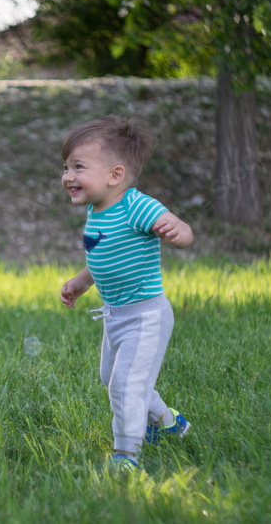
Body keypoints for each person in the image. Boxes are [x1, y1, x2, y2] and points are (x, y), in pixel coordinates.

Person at [59, 115, 193, 470]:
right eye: (66, 167)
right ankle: (168, 423)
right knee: (112, 377)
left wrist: (178, 232)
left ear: (115, 175)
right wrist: (81, 282)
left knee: (125, 385)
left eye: (78, 166)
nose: (68, 176)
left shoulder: (136, 205)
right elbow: (104, 258)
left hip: (145, 315)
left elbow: (181, 227)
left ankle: (126, 454)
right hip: (115, 315)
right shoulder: (96, 211)